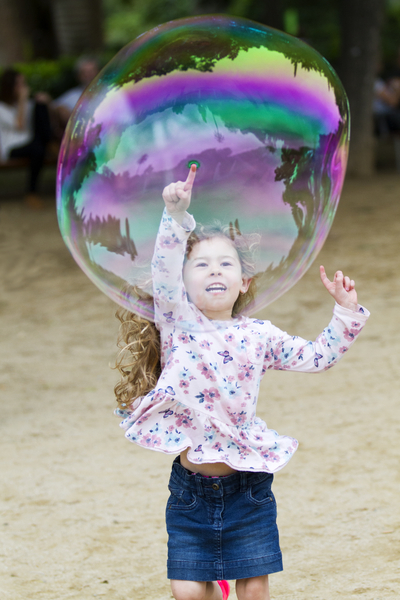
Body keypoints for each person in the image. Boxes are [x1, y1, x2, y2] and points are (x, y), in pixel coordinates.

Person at [114, 165, 369, 600]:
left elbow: (317, 357)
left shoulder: (260, 335)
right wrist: (175, 216)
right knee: (187, 593)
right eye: (202, 265)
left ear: (244, 281)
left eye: (226, 263)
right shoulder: (178, 324)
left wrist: (344, 313)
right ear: (183, 282)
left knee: (254, 592)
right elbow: (162, 272)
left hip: (248, 488)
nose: (215, 270)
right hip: (191, 493)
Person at [0, 69, 52, 208]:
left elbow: (43, 122)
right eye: (18, 84)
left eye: (23, 83)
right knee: (38, 150)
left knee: (40, 106)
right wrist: (23, 99)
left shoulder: (27, 104)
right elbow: (20, 125)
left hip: (31, 142)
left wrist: (46, 102)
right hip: (12, 147)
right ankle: (31, 192)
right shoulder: (2, 108)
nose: (23, 88)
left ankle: (50, 142)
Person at [51, 57, 99, 135]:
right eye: (84, 72)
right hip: (81, 140)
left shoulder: (110, 92)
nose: (88, 75)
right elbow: (53, 106)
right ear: (79, 76)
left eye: (91, 71)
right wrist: (59, 109)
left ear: (98, 72)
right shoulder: (72, 95)